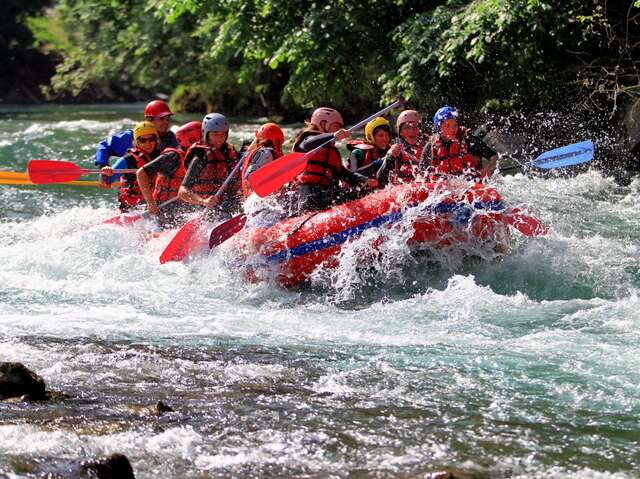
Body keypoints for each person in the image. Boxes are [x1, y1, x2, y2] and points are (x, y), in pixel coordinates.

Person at [293, 107, 378, 213]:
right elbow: (308, 143)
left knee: (359, 191)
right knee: (348, 194)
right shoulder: (307, 140)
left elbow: (345, 174)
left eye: (338, 127)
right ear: (323, 124)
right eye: (335, 126)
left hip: (325, 194)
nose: (338, 129)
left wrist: (365, 180)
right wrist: (332, 135)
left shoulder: (333, 152)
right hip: (309, 195)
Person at [96, 100, 179, 186]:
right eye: (161, 119)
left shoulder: (171, 138)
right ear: (149, 120)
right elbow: (104, 146)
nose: (166, 123)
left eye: (168, 119)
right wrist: (103, 166)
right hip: (135, 185)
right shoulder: (132, 136)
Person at [136, 121, 201, 228]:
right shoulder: (172, 157)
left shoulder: (201, 158)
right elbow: (141, 173)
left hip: (183, 210)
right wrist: (150, 203)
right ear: (192, 140)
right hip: (163, 210)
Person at [178, 113, 240, 217]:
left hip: (228, 203)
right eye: (215, 134)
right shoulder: (200, 156)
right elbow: (182, 192)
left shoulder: (230, 151)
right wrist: (204, 201)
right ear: (206, 134)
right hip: (204, 208)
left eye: (223, 134)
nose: (220, 138)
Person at [420, 106, 498, 179]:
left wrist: (488, 169)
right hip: (444, 187)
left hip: (472, 184)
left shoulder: (468, 139)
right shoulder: (431, 145)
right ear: (439, 128)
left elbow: (493, 156)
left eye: (455, 125)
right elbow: (422, 172)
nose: (452, 129)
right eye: (447, 126)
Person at [104, 121, 161, 212]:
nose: (148, 143)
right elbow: (105, 181)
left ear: (156, 139)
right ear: (136, 142)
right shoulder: (129, 159)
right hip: (131, 207)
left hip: (155, 202)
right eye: (143, 140)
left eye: (151, 139)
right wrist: (106, 173)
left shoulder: (162, 155)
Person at [240, 122, 285, 199]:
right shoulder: (266, 153)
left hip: (254, 199)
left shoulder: (259, 152)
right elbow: (249, 177)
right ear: (276, 141)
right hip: (260, 201)